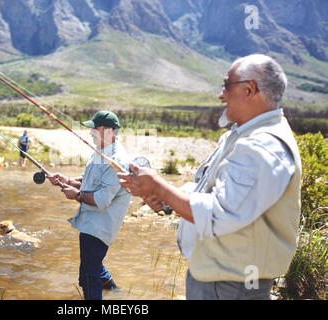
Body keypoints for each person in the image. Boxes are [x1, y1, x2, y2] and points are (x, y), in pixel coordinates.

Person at [118, 54, 302, 300]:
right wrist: (168, 196)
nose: (221, 94)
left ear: (250, 90)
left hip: (232, 286)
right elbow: (211, 191)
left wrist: (160, 188)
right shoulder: (242, 136)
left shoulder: (263, 147)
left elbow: (220, 214)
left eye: (227, 85)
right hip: (220, 280)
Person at [48, 110, 132, 300]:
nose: (90, 132)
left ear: (108, 130)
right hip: (90, 222)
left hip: (100, 225)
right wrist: (67, 179)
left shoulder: (117, 160)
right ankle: (116, 293)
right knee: (94, 264)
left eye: (95, 128)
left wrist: (76, 195)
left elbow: (102, 200)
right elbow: (89, 181)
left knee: (88, 276)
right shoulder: (101, 152)